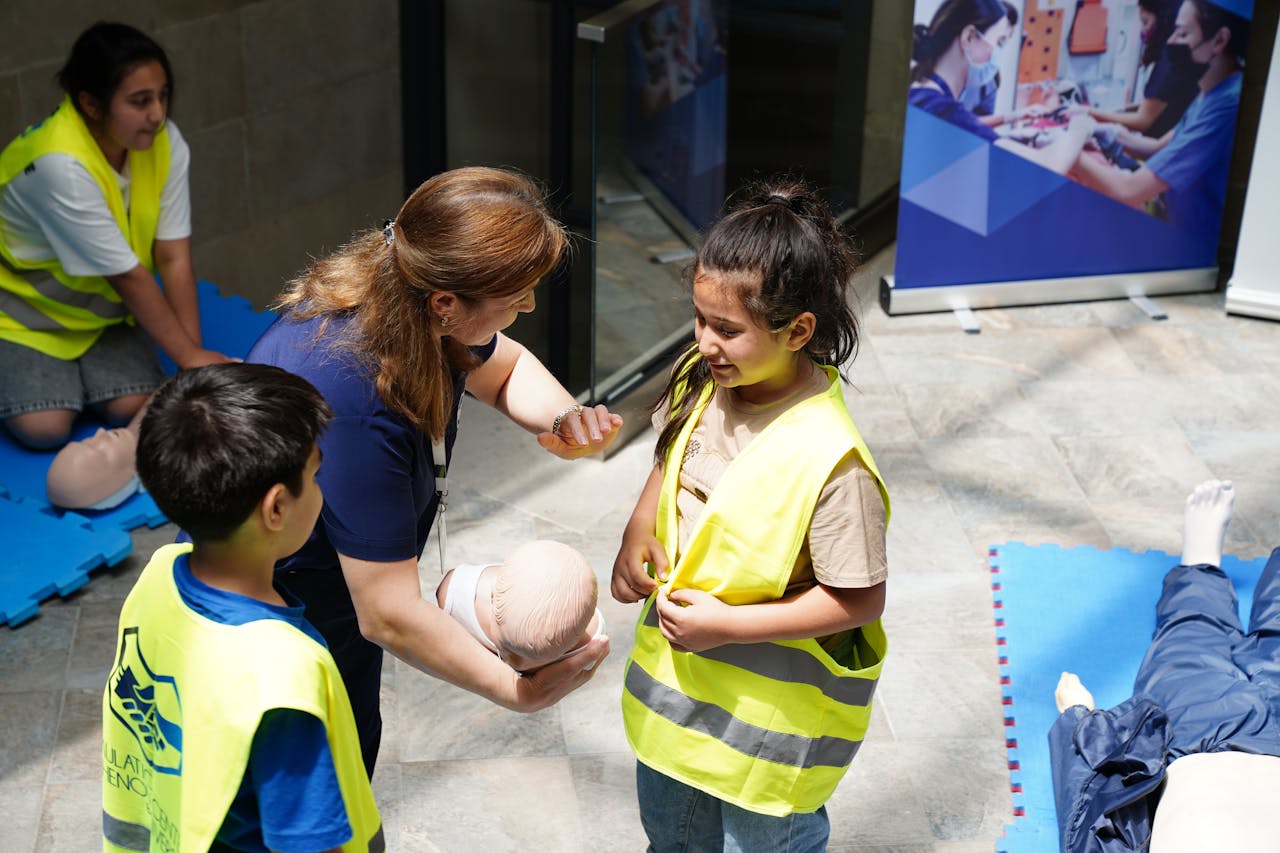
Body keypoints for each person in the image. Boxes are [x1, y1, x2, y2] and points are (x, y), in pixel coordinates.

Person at [246, 166, 617, 777]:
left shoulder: (399, 295)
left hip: (329, 606)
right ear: (446, 302)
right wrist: (515, 692)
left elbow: (503, 366)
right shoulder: (356, 403)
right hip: (286, 638)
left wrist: (563, 421)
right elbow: (388, 613)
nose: (528, 306)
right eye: (516, 295)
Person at [611, 179, 890, 852]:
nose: (706, 342)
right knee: (671, 839)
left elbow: (859, 597)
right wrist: (638, 526)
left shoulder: (833, 461)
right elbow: (671, 452)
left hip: (766, 748)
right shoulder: (701, 377)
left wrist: (729, 625)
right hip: (676, 718)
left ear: (797, 330)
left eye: (728, 329)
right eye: (700, 319)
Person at [102, 363, 382, 852]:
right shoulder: (283, 677)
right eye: (315, 476)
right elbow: (308, 840)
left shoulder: (157, 577)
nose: (320, 491)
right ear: (276, 508)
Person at [0, 21, 230, 451]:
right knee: (45, 429)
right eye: (140, 101)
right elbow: (127, 276)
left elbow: (173, 258)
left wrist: (193, 360)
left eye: (163, 96)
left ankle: (87, 380)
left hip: (103, 317)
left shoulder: (165, 142)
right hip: (22, 320)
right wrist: (189, 362)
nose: (158, 114)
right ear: (91, 103)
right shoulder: (58, 165)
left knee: (134, 406)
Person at [1050, 479, 1280, 853]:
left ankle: (1200, 560)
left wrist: (1078, 722)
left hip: (1197, 736)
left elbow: (1087, 824)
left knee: (1189, 643)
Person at [1072, 0, 1248, 234]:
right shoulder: (1207, 94)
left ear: (1219, 41)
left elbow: (1128, 190)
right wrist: (1110, 133)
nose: (1171, 41)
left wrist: (1066, 147)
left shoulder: (1228, 105)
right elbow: (1158, 148)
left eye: (1182, 33)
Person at [909, 0, 1097, 174]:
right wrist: (1079, 129)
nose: (997, 57)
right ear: (969, 37)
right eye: (999, 42)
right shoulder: (940, 109)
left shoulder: (921, 94)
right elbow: (1045, 168)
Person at [435, 539, 606, 675]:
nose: (513, 663)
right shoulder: (456, 597)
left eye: (529, 657)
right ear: (492, 597)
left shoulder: (587, 641)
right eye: (506, 646)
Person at [1086, 0, 1198, 138]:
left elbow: (1143, 120)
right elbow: (1155, 107)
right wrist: (1116, 111)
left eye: (1145, 22)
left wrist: (1089, 112)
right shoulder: (1171, 57)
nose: (1142, 30)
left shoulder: (1170, 61)